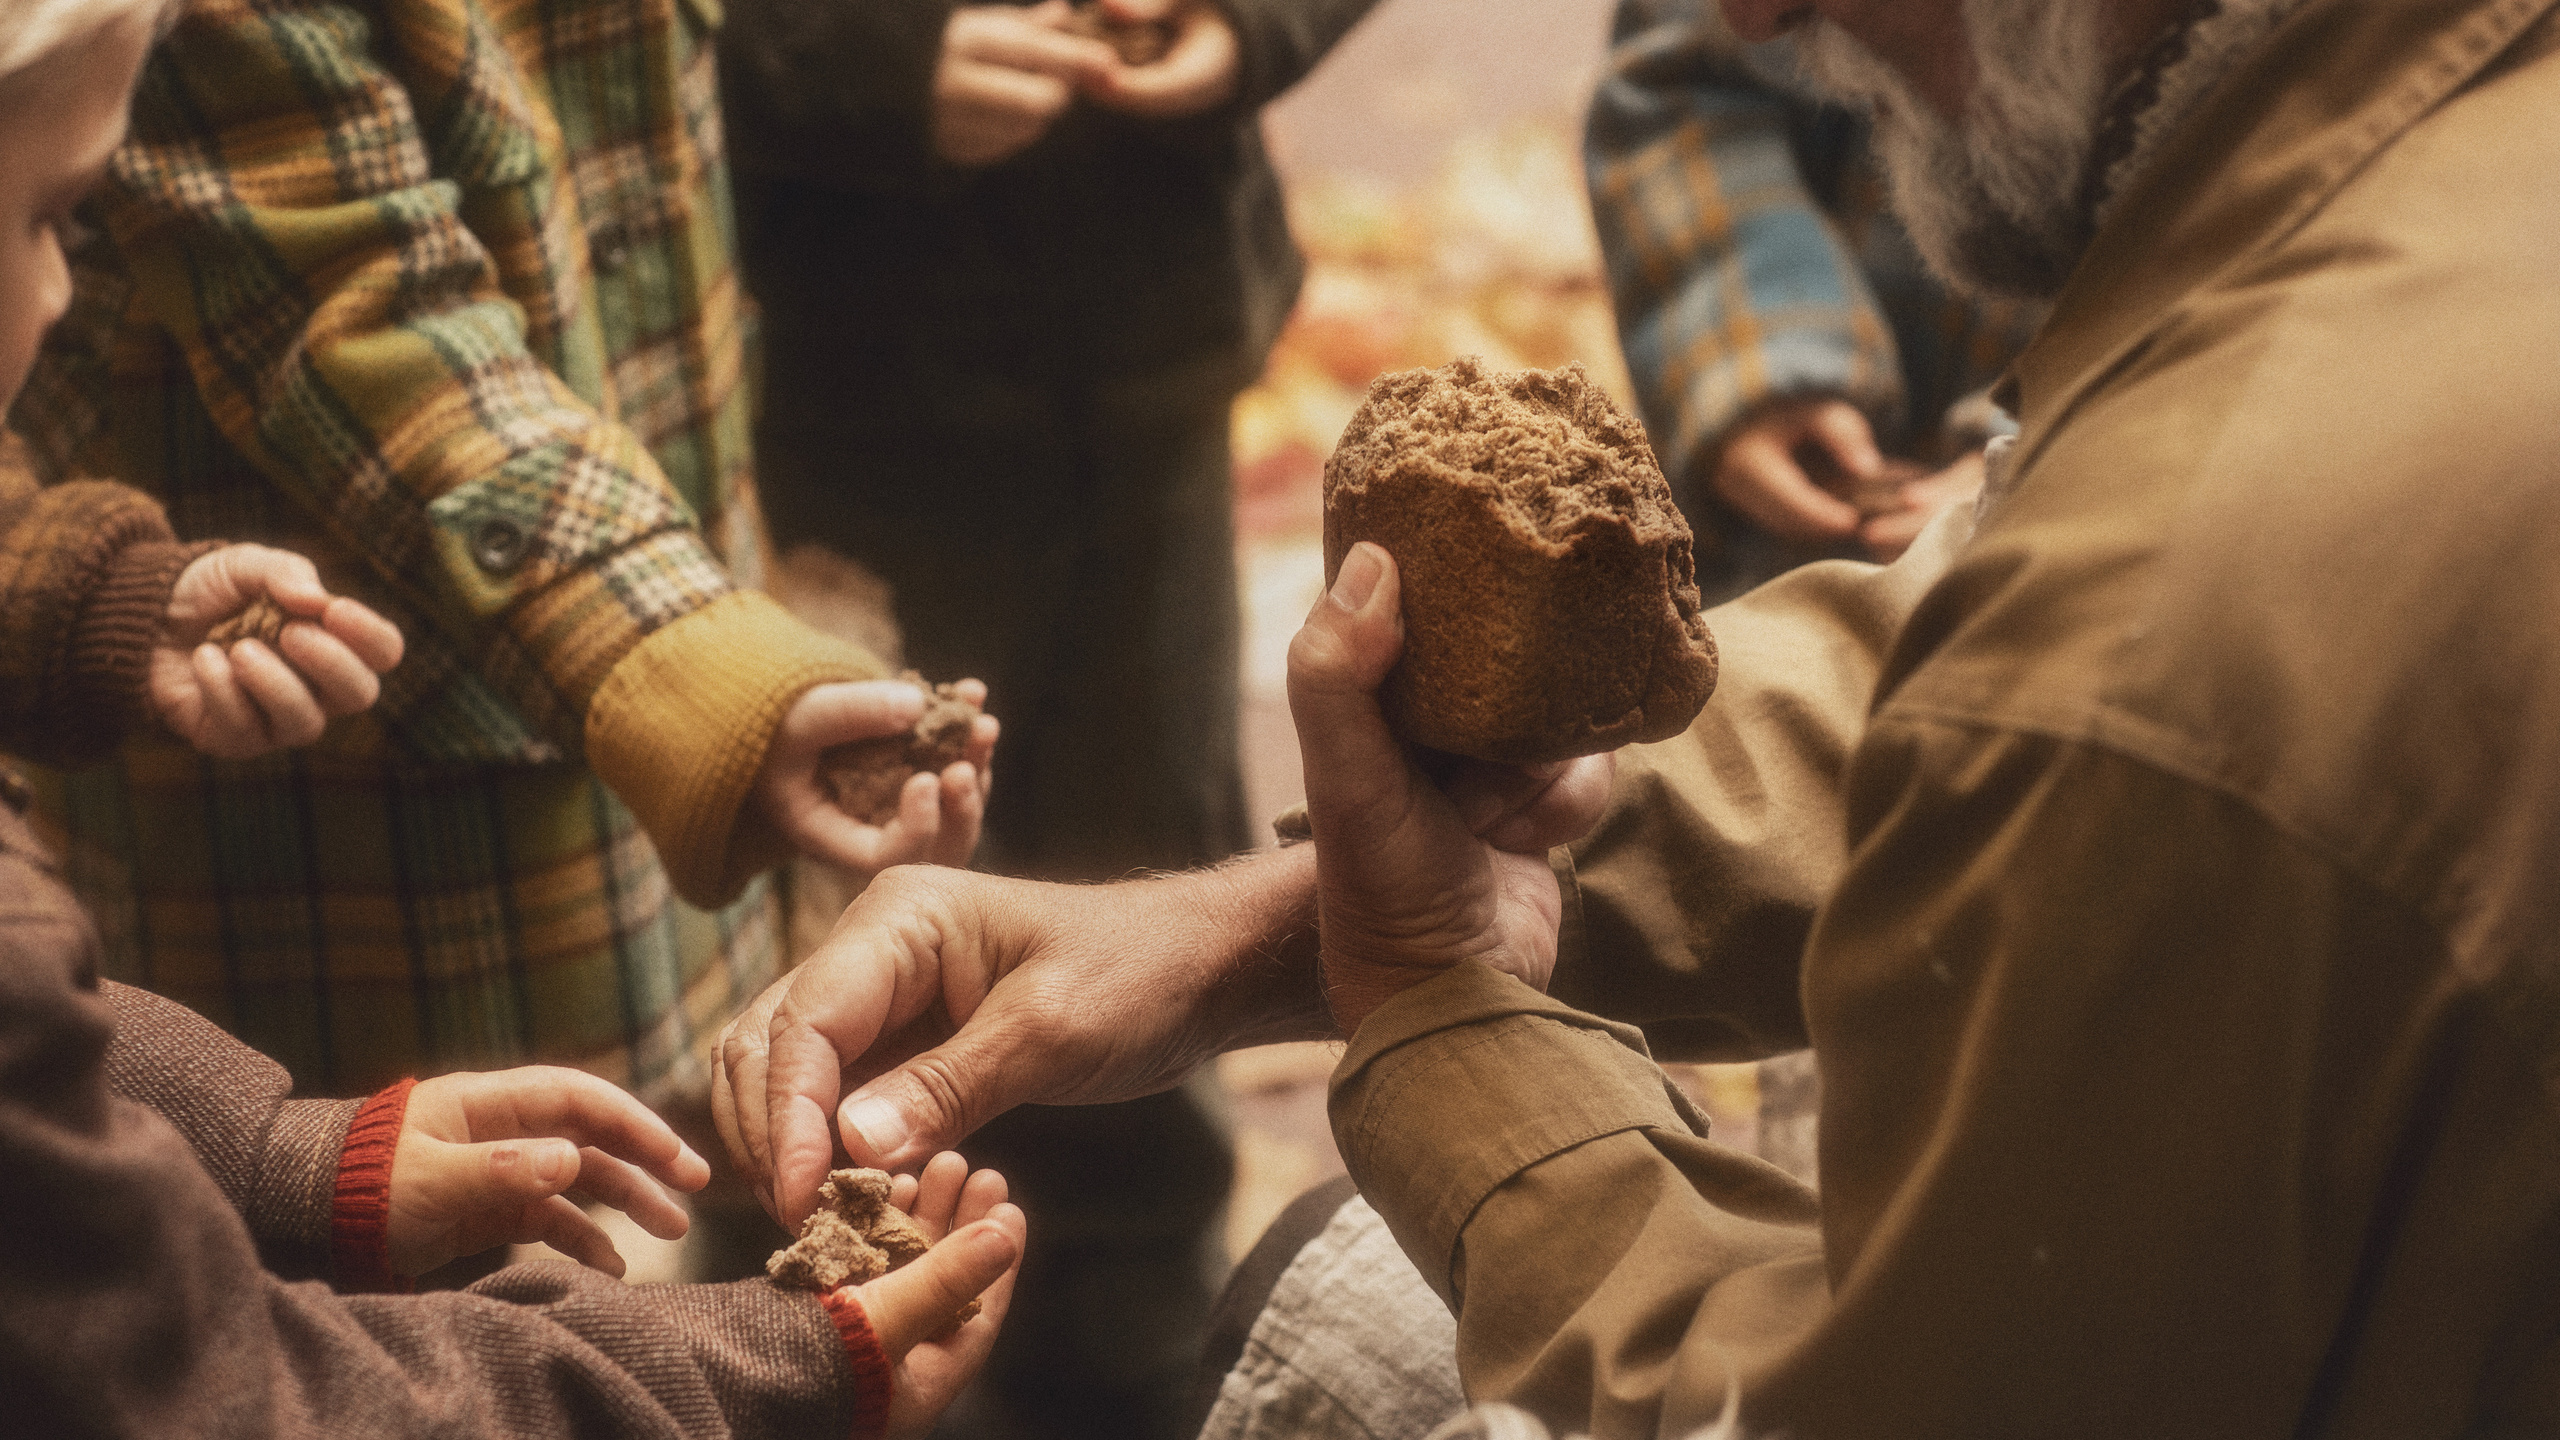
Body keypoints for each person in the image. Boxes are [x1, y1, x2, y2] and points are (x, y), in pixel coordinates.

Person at [707, 0, 2560, 1433]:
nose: (1747, 15)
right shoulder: (2450, 174)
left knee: (1332, 1328)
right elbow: (1979, 687)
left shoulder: (2168, 605)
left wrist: (1448, 1042)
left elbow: (2095, 721)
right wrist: (1252, 935)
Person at [0, 4, 1022, 1430]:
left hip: (620, 672)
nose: (56, 292)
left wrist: (297, 1158)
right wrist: (743, 1379)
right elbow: (218, 1378)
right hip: (369, 830)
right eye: (54, 215)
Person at [715, 1, 1373, 1430]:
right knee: (827, 991)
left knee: (1140, 881)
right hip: (841, 381)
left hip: (1150, 360)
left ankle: (1132, 1371)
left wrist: (1245, 25)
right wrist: (852, 66)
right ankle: (791, 1369)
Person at [1585, 0, 2044, 604]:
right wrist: (1750, 353)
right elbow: (1687, 78)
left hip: (2067, 519)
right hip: (1757, 518)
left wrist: (2038, 447)